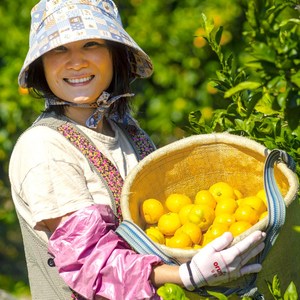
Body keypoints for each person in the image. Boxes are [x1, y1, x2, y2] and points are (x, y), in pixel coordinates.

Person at [9, 0, 266, 299]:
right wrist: (187, 274)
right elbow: (90, 261)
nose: (76, 62)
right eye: (58, 49)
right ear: (41, 64)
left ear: (114, 55)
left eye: (91, 44)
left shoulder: (127, 132)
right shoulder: (45, 147)